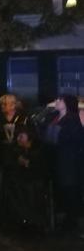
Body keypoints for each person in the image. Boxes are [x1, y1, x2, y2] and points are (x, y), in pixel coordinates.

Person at [45, 95, 84, 231]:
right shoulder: (55, 117)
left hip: (68, 161)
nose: (56, 102)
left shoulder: (72, 119)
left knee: (69, 189)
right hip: (56, 159)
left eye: (59, 100)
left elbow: (74, 138)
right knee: (61, 189)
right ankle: (66, 216)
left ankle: (72, 219)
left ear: (66, 103)